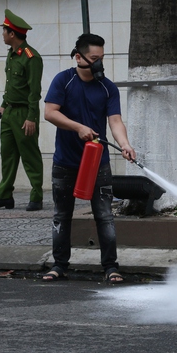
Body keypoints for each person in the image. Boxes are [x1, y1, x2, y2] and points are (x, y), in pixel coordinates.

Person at [42, 33, 136, 284]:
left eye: (101, 59)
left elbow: (115, 121)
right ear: (78, 57)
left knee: (104, 215)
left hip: (98, 163)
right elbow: (50, 113)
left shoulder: (107, 87)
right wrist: (78, 127)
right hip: (65, 161)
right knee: (62, 215)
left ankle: (111, 267)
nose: (98, 64)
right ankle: (59, 265)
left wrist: (125, 144)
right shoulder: (63, 81)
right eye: (94, 58)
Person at [0, 9, 44, 212]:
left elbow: (34, 91)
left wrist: (31, 117)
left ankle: (36, 196)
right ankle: (5, 196)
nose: (2, 34)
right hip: (9, 113)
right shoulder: (11, 55)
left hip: (24, 114)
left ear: (12, 34)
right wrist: (3, 105)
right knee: (7, 155)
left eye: (4, 31)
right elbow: (12, 86)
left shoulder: (31, 57)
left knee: (30, 155)